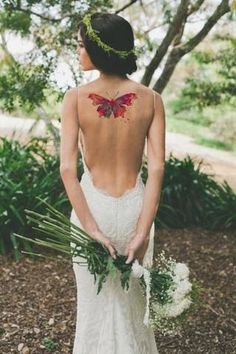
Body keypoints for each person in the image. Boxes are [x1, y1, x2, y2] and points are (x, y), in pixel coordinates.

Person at [60, 11, 165, 354]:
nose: (78, 51)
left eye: (80, 45)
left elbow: (67, 170)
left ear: (98, 48)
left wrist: (91, 229)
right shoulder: (151, 99)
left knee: (94, 311)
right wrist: (141, 232)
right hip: (136, 212)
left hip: (94, 211)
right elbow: (158, 169)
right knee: (134, 312)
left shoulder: (75, 98)